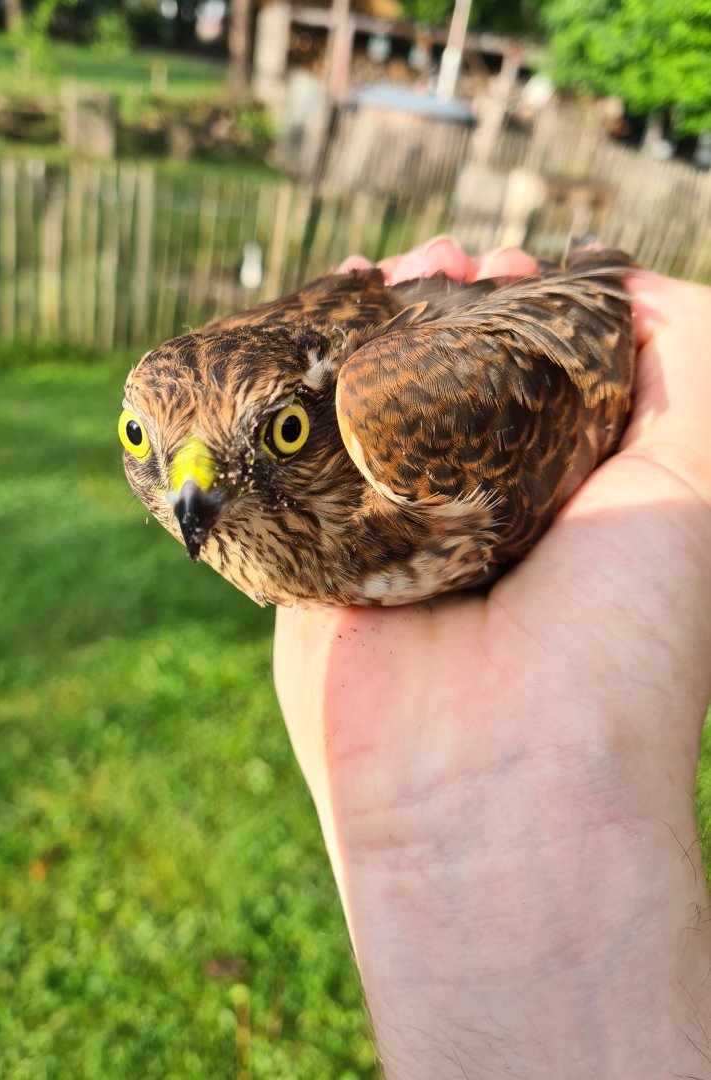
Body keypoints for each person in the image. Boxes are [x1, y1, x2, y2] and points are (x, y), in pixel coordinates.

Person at [274, 239, 711, 1079]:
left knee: (395, 403)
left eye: (288, 430)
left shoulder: (394, 428)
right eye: (136, 437)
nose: (191, 500)